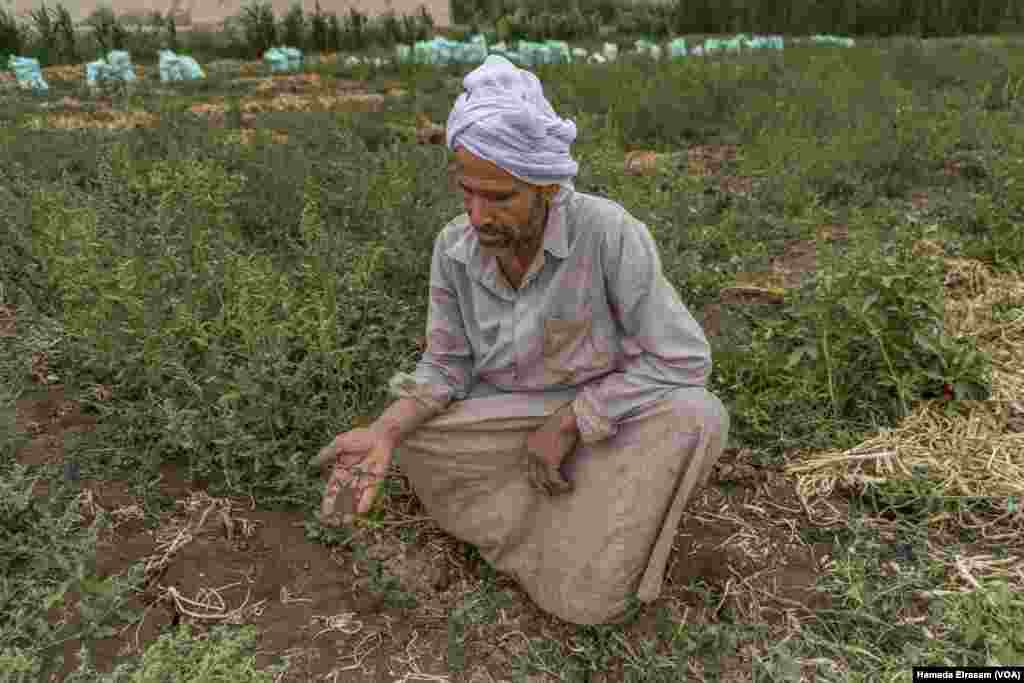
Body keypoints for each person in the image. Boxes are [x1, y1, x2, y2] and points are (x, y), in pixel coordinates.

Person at [313, 55, 729, 625]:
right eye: (468, 193)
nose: (478, 215)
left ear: (548, 188)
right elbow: (447, 364)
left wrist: (568, 423)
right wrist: (384, 430)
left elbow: (683, 358)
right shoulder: (454, 247)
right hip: (504, 420)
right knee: (415, 439)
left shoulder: (608, 234)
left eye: (500, 197)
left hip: (602, 424)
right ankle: (544, 519)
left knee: (696, 416)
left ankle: (577, 552)